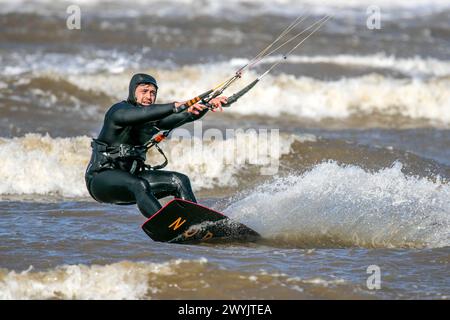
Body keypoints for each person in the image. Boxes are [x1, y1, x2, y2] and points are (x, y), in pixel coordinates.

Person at [85, 73, 227, 218]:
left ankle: (195, 223)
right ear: (132, 92)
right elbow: (144, 114)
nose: (148, 96)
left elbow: (186, 116)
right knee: (139, 184)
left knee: (180, 181)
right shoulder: (118, 111)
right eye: (144, 91)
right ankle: (167, 225)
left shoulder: (153, 122)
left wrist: (208, 104)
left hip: (131, 179)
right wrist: (176, 105)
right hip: (100, 180)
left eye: (153, 93)